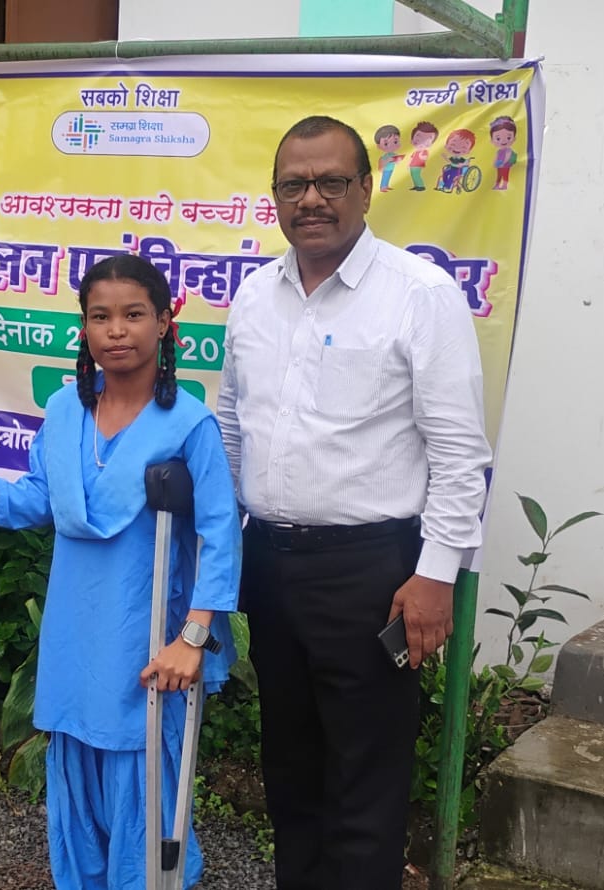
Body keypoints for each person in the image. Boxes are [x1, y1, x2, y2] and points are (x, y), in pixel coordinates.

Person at [216, 115, 491, 890]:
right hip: (270, 565)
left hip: (372, 575)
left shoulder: (419, 295)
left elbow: (459, 451)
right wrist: (223, 542)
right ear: (275, 196)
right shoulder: (254, 295)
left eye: (331, 181)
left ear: (366, 190)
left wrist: (436, 574)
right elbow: (233, 423)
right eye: (294, 185)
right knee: (290, 768)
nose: (312, 199)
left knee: (366, 783)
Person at [0, 254, 241, 889]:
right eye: (100, 316)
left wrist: (193, 637)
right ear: (85, 328)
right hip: (76, 628)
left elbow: (221, 534)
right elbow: (40, 500)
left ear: (164, 324)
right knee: (75, 762)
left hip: (149, 630)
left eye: (133, 315)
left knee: (141, 768)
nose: (116, 330)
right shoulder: (66, 412)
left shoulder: (191, 424)